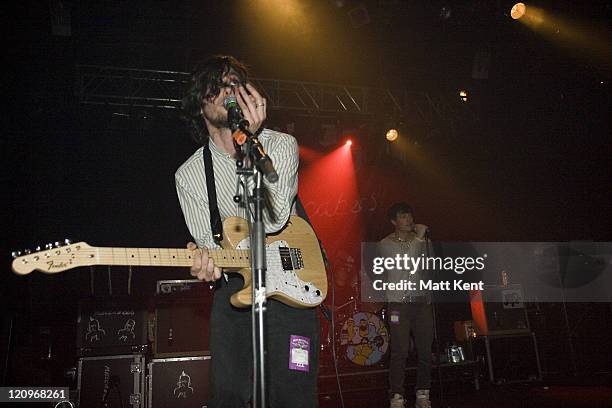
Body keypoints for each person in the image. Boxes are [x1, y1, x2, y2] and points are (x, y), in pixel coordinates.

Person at [175, 55, 320, 408]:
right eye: (219, 85)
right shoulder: (189, 175)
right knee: (228, 395)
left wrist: (250, 144)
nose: (230, 90)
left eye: (236, 83)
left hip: (290, 286)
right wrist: (207, 266)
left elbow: (272, 221)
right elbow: (212, 251)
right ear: (199, 101)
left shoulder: (281, 145)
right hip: (236, 289)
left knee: (294, 395)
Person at [380, 202, 433, 408]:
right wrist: (419, 238)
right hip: (398, 305)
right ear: (394, 221)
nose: (409, 220)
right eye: (403, 216)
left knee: (425, 349)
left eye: (410, 215)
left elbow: (430, 266)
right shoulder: (385, 243)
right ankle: (397, 396)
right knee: (400, 350)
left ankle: (423, 393)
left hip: (422, 302)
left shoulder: (421, 241)